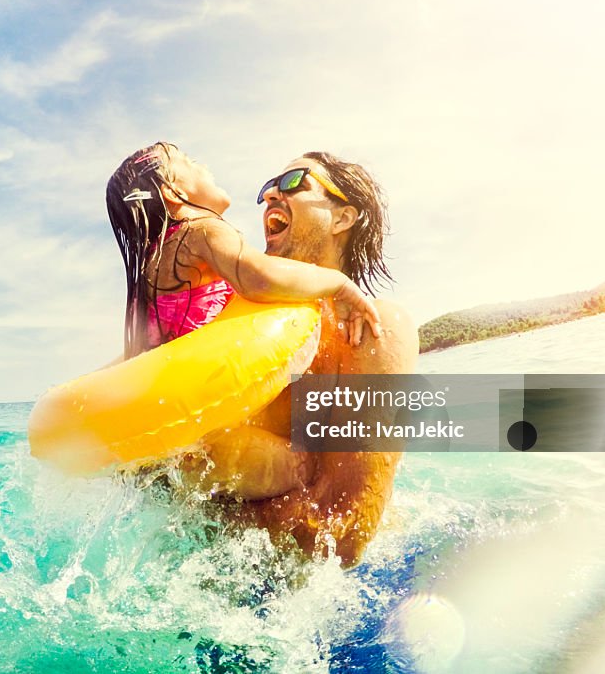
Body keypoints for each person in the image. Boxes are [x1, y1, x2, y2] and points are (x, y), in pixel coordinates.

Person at [185, 152, 419, 569]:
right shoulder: (237, 320)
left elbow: (343, 534)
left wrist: (205, 506)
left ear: (342, 218)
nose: (271, 193)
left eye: (295, 181)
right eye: (269, 186)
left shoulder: (372, 330)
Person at [105, 142, 383, 359]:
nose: (204, 167)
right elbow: (259, 279)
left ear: (344, 219)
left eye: (292, 182)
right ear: (172, 190)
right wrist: (340, 286)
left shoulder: (155, 261)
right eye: (190, 162)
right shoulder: (203, 231)